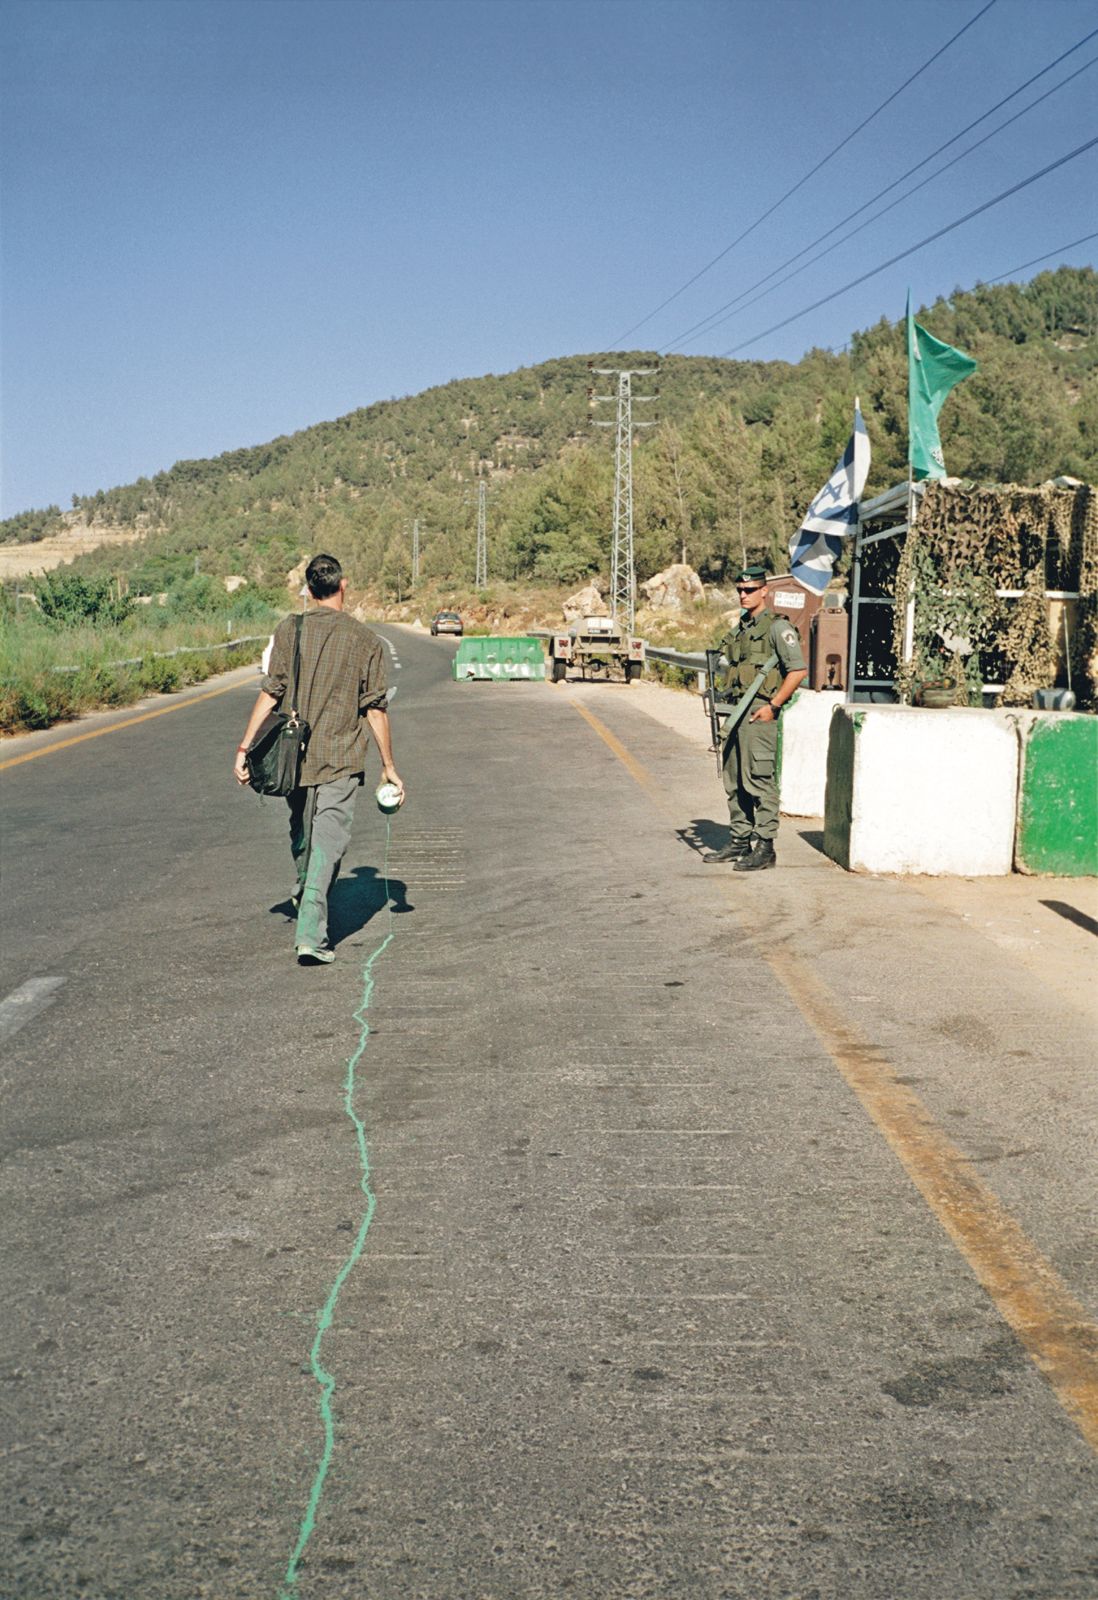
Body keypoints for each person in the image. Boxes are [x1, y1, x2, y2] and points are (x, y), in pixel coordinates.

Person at [233, 554, 404, 963]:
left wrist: (244, 747)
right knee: (327, 838)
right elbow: (374, 709)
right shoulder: (366, 640)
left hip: (294, 755)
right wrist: (389, 766)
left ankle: (305, 899)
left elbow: (271, 690)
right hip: (341, 756)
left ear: (308, 591)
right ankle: (310, 931)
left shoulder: (289, 628)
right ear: (343, 585)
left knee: (303, 834)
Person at [704, 564, 806, 872]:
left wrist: (773, 706)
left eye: (749, 590)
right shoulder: (742, 628)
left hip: (758, 713)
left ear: (765, 591)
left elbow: (797, 671)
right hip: (735, 712)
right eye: (739, 590)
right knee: (734, 781)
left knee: (758, 781)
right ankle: (739, 841)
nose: (743, 595)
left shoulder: (777, 628)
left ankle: (765, 847)